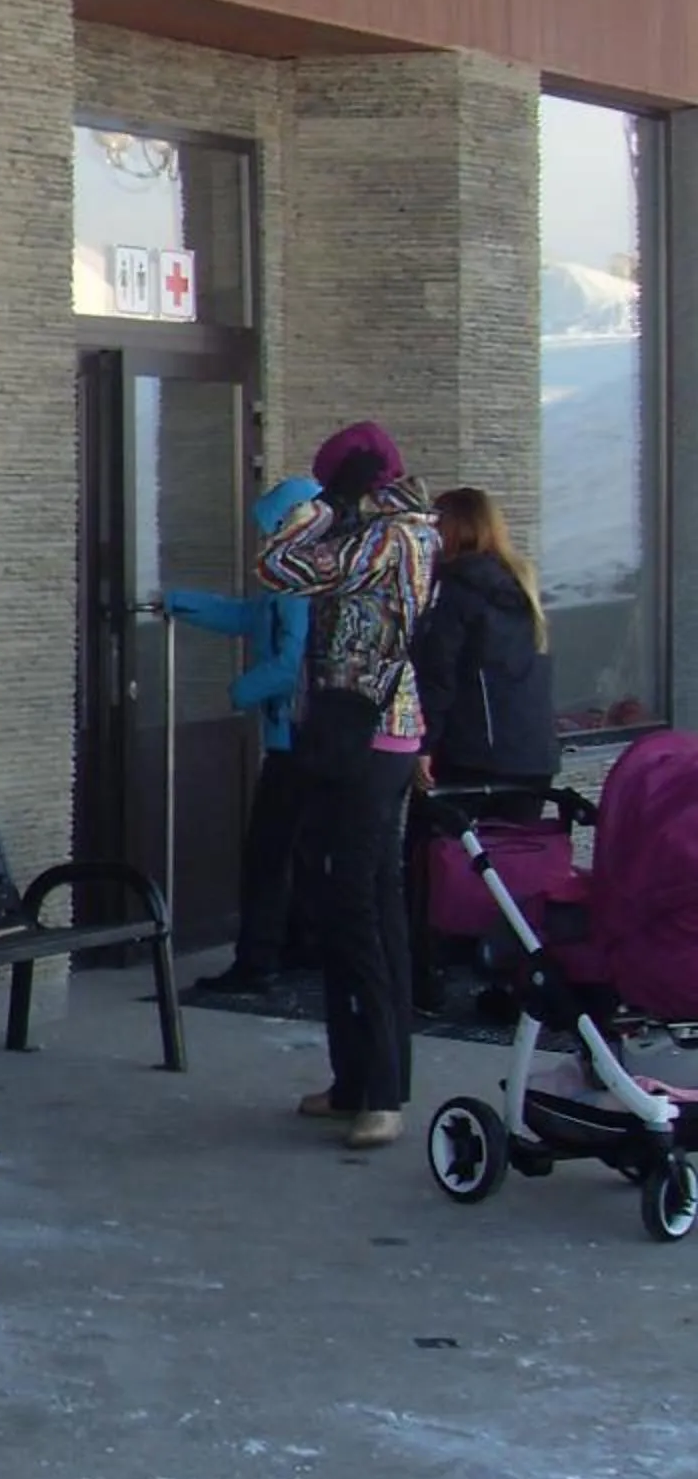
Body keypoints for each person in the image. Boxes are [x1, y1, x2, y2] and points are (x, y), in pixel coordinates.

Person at [257, 421, 439, 1151]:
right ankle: (357, 1081)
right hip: (359, 734)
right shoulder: (399, 533)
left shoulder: (391, 537)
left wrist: (321, 507)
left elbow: (280, 567)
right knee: (358, 902)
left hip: (369, 736)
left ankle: (383, 1092)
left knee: (356, 907)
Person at [163, 475, 323, 996]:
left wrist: (239, 691)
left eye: (271, 528)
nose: (264, 541)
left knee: (269, 855)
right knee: (299, 850)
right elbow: (249, 617)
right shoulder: (305, 578)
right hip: (309, 737)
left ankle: (257, 961)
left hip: (294, 740)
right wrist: (179, 602)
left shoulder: (300, 584)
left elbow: (289, 662)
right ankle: (300, 946)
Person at [405, 486, 558, 1009]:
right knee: (511, 872)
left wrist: (423, 745)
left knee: (431, 860)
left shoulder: (457, 590)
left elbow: (441, 675)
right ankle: (505, 976)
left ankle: (424, 976)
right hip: (530, 754)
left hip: (474, 753)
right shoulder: (521, 585)